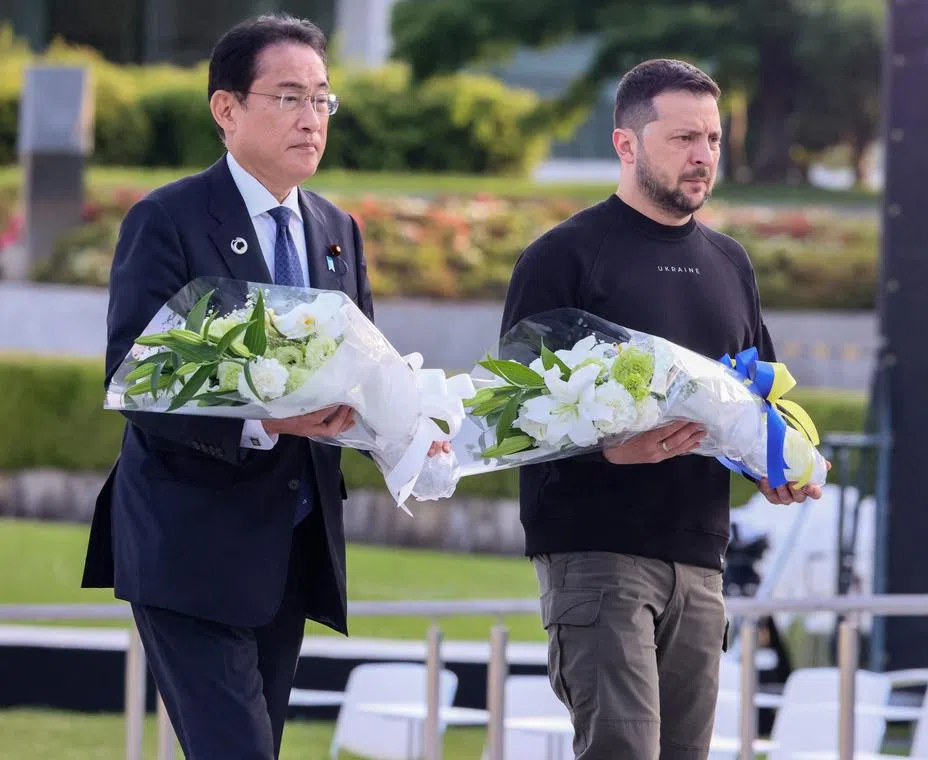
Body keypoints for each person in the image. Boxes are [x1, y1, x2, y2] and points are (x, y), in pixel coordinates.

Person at [80, 14, 442, 760]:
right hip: (188, 548)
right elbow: (135, 374)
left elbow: (361, 368)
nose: (311, 119)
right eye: (288, 98)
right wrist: (265, 423)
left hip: (291, 548)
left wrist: (409, 431)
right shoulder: (169, 219)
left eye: (322, 100)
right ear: (227, 109)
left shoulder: (337, 228)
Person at [500, 58, 825, 758]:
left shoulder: (731, 262)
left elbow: (753, 398)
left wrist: (773, 465)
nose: (703, 156)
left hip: (701, 556)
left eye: (712, 138)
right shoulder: (563, 257)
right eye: (683, 138)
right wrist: (608, 449)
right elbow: (511, 413)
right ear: (626, 144)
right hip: (596, 553)